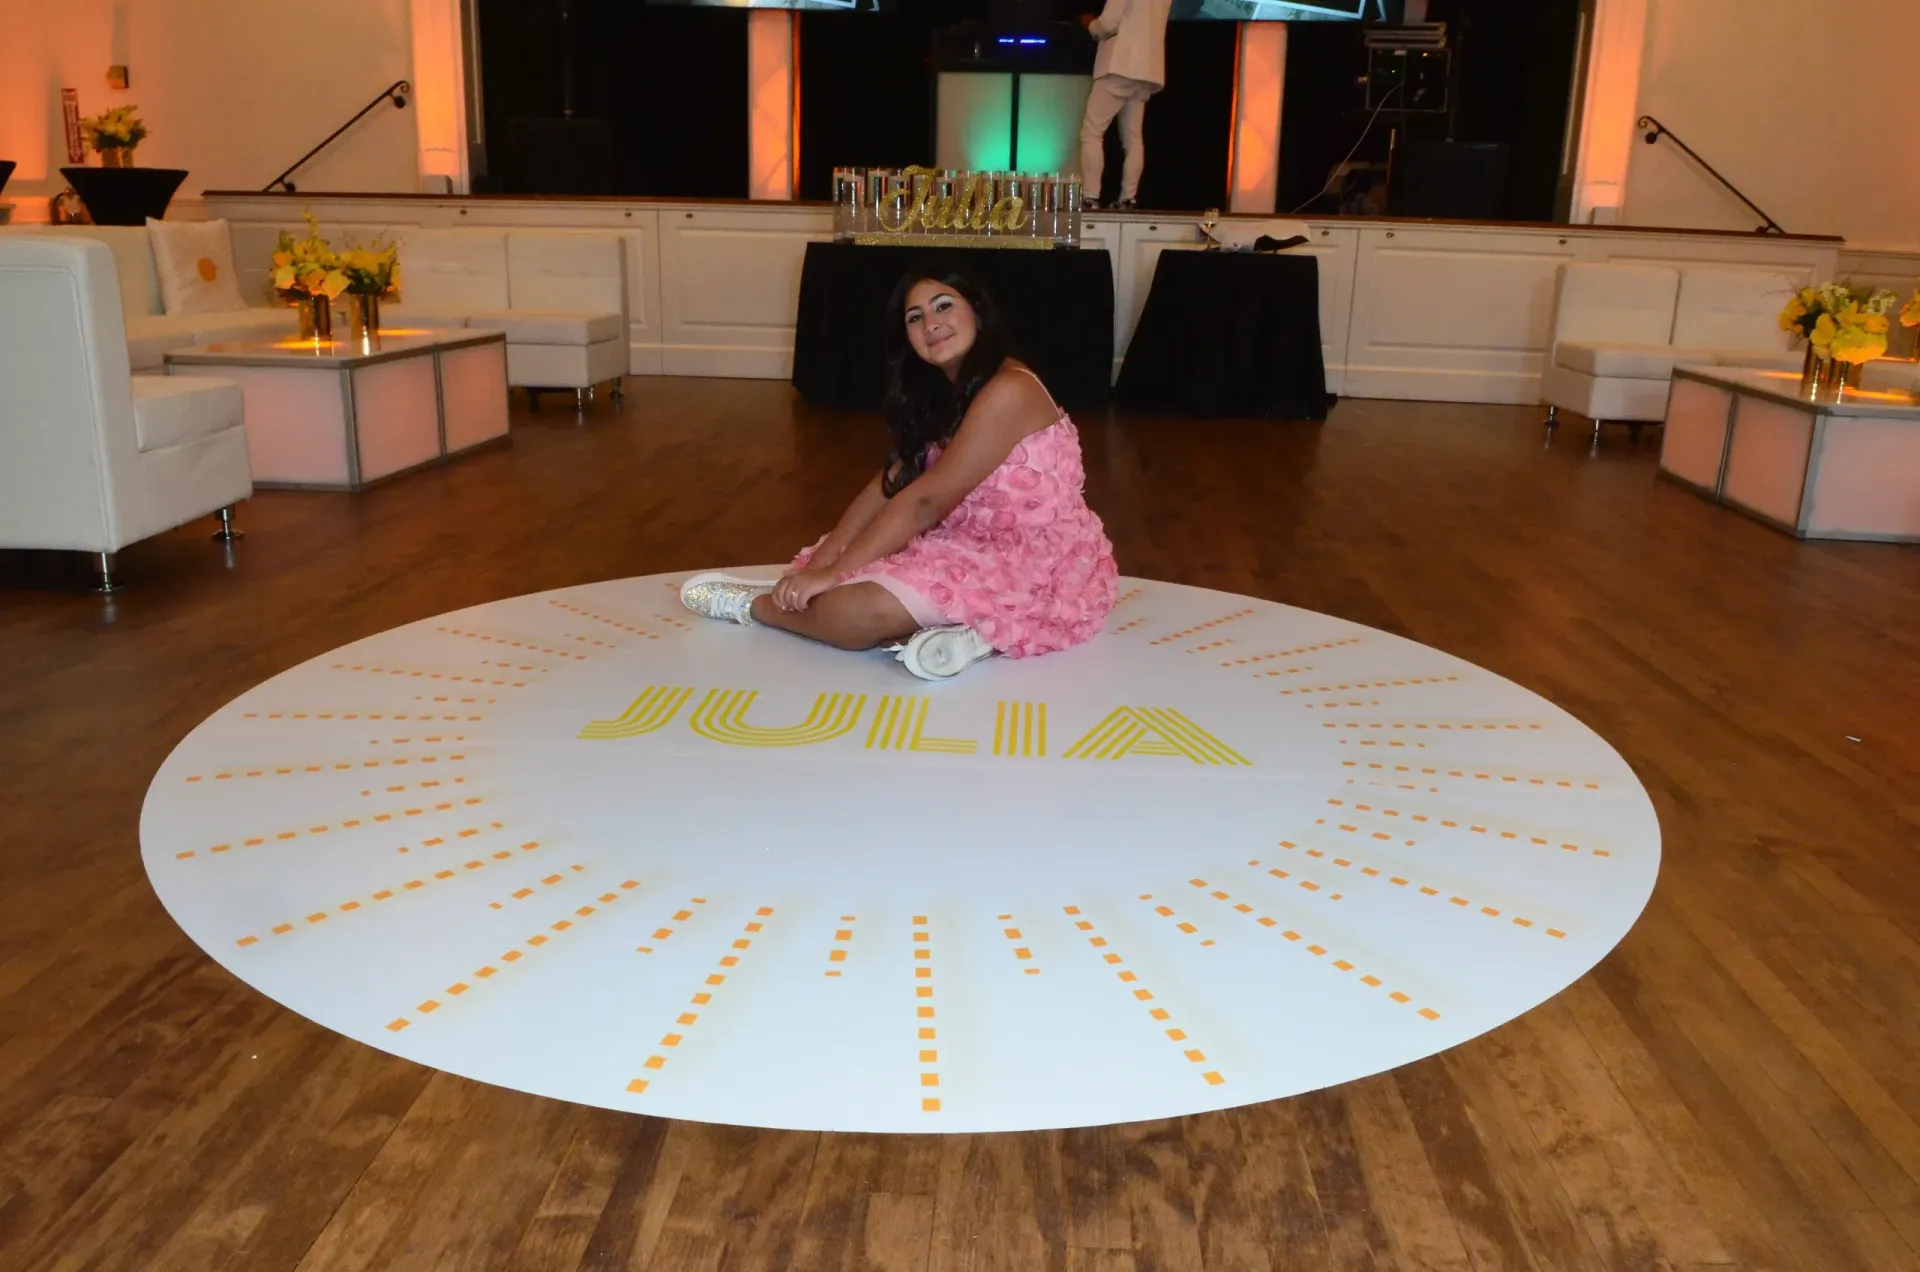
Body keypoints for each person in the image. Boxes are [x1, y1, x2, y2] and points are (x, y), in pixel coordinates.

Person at [680, 272, 1119, 680]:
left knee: (846, 612)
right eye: (916, 317)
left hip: (1036, 563)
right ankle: (976, 633)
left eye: (944, 306)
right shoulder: (947, 392)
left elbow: (927, 500)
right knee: (830, 587)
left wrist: (834, 576)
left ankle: (752, 606)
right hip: (966, 547)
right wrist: (825, 560)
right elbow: (888, 486)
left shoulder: (1008, 389)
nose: (931, 324)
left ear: (979, 312)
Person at [1077, 0, 1172, 211]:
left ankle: (1090, 197)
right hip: (1148, 68)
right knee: (1133, 139)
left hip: (1120, 64)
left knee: (1091, 132)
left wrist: (1091, 25)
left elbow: (1109, 22)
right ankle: (1128, 198)